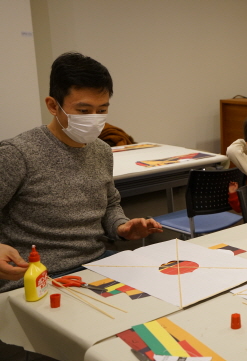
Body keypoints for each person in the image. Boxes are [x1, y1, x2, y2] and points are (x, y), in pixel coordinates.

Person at [0, 52, 162, 292]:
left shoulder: (101, 151)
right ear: (53, 106)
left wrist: (122, 227)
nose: (94, 119)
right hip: (36, 275)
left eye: (102, 110)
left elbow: (109, 205)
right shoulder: (17, 154)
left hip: (96, 263)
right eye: (84, 111)